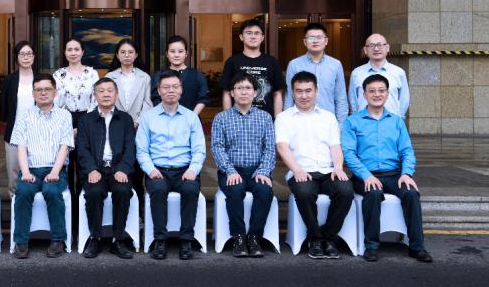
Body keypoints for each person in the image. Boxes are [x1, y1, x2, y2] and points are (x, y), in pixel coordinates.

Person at [342, 74, 432, 263]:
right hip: (364, 176)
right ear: (364, 95)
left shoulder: (397, 121)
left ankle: (417, 247)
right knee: (373, 193)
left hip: (394, 174)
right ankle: (372, 246)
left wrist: (406, 173)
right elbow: (349, 154)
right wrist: (366, 176)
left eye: (381, 91)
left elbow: (407, 151)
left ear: (387, 94)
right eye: (372, 91)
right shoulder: (352, 121)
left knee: (411, 193)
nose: (377, 94)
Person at [276, 71, 353, 260]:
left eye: (308, 90)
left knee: (345, 190)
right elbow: (282, 147)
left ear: (316, 91)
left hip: (328, 170)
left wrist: (338, 167)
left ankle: (329, 237)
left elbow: (335, 146)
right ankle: (315, 238)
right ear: (292, 92)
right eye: (299, 91)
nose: (304, 96)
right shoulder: (283, 118)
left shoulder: (328, 117)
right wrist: (297, 170)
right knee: (304, 192)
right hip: (301, 170)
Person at [137, 70, 206, 261]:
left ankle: (186, 240)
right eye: (166, 87)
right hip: (158, 170)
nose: (171, 91)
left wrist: (193, 170)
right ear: (159, 91)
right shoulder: (148, 117)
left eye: (175, 87)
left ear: (181, 90)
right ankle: (160, 239)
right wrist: (150, 169)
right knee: (158, 191)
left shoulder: (191, 117)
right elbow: (141, 150)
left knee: (191, 191)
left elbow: (199, 149)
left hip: (185, 170)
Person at [10, 73, 75, 259]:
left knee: (52, 191)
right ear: (33, 93)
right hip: (30, 169)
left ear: (55, 92)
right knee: (23, 192)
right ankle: (21, 242)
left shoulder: (64, 115)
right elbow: (21, 147)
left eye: (47, 89)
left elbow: (65, 147)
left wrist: (55, 172)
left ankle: (58, 239)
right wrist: (25, 172)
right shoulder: (24, 116)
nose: (43, 93)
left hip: (55, 169)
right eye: (38, 90)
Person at [211, 73, 276, 258]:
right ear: (232, 93)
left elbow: (269, 148)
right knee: (235, 190)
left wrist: (264, 171)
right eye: (239, 88)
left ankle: (254, 237)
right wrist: (230, 171)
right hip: (231, 170)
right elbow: (217, 148)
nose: (244, 92)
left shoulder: (265, 118)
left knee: (264, 192)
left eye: (248, 88)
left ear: (255, 92)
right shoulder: (221, 118)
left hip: (257, 171)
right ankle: (239, 237)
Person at [78, 78, 137, 259]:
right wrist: (91, 169)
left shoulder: (125, 119)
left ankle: (118, 240)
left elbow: (130, 148)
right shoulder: (86, 120)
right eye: (101, 91)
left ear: (116, 94)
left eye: (110, 90)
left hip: (118, 169)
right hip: (96, 169)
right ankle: (95, 238)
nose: (106, 94)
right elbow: (82, 148)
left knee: (122, 191)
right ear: (95, 96)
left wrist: (123, 169)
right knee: (94, 192)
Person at [53, 37, 99, 193]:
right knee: (65, 163)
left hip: (87, 121)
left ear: (82, 52)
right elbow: (55, 103)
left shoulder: (91, 73)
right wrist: (68, 128)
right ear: (65, 52)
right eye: (69, 50)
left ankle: (81, 202)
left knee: (84, 164)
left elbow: (95, 101)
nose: (73, 53)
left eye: (76, 49)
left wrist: (82, 127)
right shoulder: (58, 75)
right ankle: (69, 203)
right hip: (63, 121)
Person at [284, 23, 349, 124]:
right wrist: (287, 121)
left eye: (319, 37)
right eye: (311, 38)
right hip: (300, 121)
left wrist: (340, 126)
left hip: (328, 122)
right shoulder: (294, 65)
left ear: (326, 41)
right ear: (305, 42)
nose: (315, 41)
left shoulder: (335, 65)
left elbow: (341, 98)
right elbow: (289, 96)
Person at [220, 18, 286, 118]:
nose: (253, 36)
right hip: (237, 119)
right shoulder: (232, 61)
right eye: (249, 33)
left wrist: (277, 120)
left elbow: (277, 93)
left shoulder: (272, 62)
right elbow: (226, 93)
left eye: (257, 33)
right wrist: (228, 119)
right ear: (241, 37)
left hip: (265, 119)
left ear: (262, 37)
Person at [0, 40, 36, 197]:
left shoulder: (40, 78)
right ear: (16, 57)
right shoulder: (10, 80)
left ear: (34, 56)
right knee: (14, 172)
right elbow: (4, 106)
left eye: (29, 54)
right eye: (22, 54)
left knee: (35, 170)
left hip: (37, 133)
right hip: (14, 131)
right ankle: (14, 202)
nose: (26, 57)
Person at [348, 33, 410, 116]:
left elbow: (404, 101)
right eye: (371, 45)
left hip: (391, 122)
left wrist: (397, 119)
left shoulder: (399, 72)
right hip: (363, 122)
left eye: (380, 45)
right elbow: (353, 102)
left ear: (387, 48)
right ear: (365, 49)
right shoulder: (356, 73)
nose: (376, 49)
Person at [149, 35, 210, 115]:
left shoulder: (197, 75)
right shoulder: (159, 75)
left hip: (191, 119)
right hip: (164, 119)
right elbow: (155, 98)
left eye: (180, 51)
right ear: (167, 54)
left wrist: (192, 117)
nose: (176, 55)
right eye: (172, 51)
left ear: (186, 53)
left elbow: (203, 98)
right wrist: (168, 116)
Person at [105, 39, 153, 125]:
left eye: (130, 52)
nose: (127, 55)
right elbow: (105, 100)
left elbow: (148, 103)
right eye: (123, 52)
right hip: (114, 123)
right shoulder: (109, 77)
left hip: (139, 125)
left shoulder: (145, 77)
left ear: (136, 55)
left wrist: (138, 122)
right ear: (117, 55)